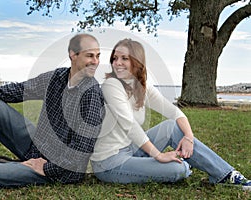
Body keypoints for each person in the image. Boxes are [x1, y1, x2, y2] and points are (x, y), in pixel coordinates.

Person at [90, 38, 251, 191]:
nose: (117, 63)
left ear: (136, 61)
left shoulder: (141, 87)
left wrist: (188, 137)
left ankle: (226, 175)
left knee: (170, 126)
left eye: (124, 58)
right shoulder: (111, 85)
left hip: (130, 148)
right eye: (115, 58)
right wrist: (159, 155)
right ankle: (185, 165)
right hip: (110, 162)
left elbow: (174, 112)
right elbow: (129, 125)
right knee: (178, 169)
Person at [0, 33, 104, 189]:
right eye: (90, 56)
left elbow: (80, 155)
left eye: (98, 56)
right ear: (73, 54)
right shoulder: (56, 78)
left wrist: (45, 168)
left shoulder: (91, 94)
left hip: (59, 168)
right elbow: (16, 90)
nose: (95, 62)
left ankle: (11, 166)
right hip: (37, 145)